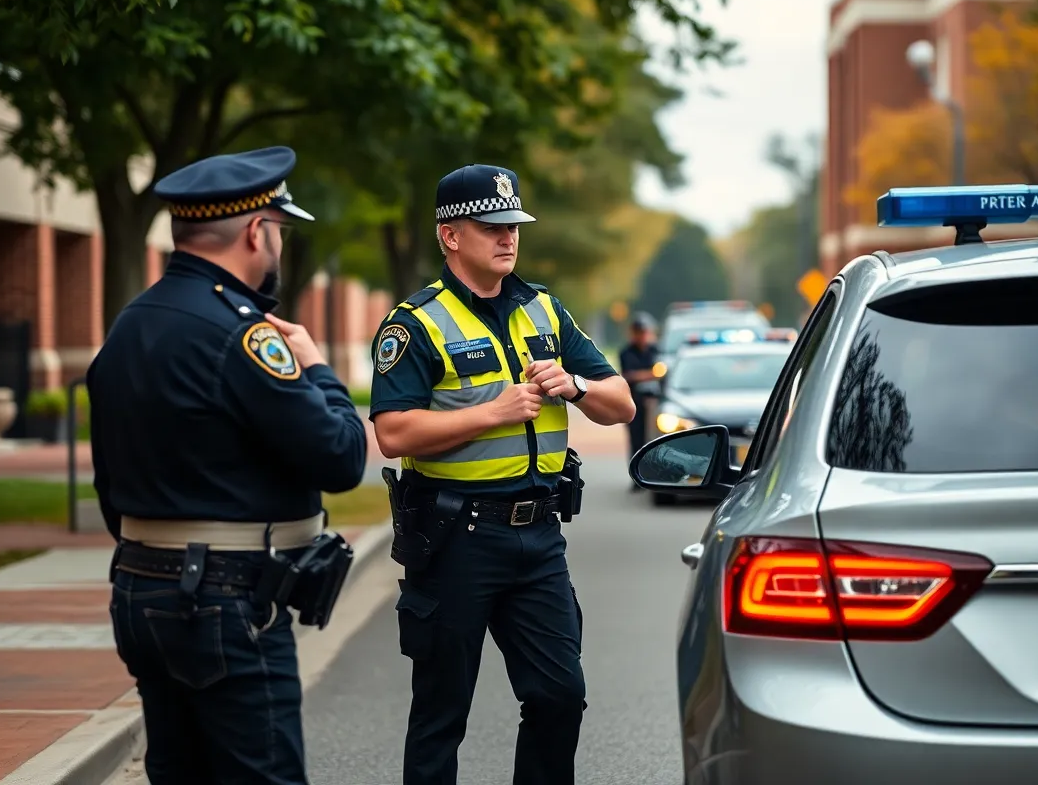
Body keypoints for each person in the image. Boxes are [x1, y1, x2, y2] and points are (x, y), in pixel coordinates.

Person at [86, 146, 367, 784]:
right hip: (222, 599)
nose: (278, 247)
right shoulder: (244, 334)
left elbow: (110, 482)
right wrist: (318, 369)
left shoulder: (131, 323)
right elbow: (342, 456)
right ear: (254, 231)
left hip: (140, 586)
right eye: (280, 232)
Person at [368, 163, 636, 785]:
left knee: (559, 696)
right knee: (441, 715)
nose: (507, 237)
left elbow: (620, 402)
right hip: (456, 537)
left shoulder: (543, 308)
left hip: (539, 538)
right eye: (491, 226)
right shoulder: (415, 323)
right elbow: (392, 433)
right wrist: (491, 413)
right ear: (450, 236)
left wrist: (574, 385)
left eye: (513, 224)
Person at [618, 312, 662, 475]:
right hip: (635, 402)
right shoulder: (626, 352)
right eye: (638, 332)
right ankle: (636, 474)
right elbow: (629, 375)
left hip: (655, 401)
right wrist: (651, 374)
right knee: (636, 440)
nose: (642, 336)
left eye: (644, 332)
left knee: (657, 440)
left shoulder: (656, 350)